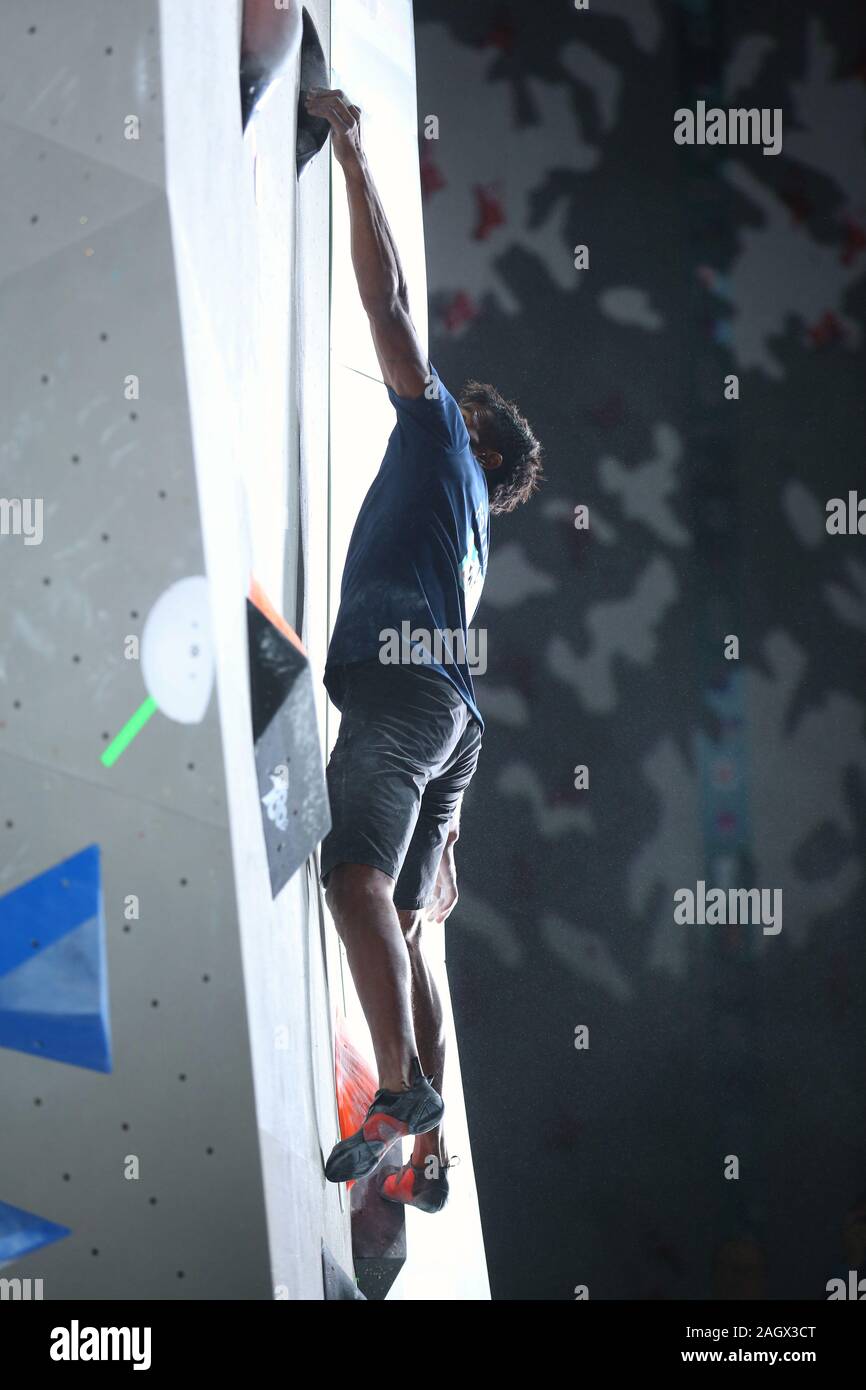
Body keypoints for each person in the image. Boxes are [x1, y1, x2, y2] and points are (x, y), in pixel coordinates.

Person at [305, 88, 543, 1212]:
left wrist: (350, 152)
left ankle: (402, 1091)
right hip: (454, 721)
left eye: (466, 403)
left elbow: (390, 301)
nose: (452, 395)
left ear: (478, 439)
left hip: (406, 698)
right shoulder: (476, 537)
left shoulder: (445, 435)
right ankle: (431, 1146)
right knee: (403, 925)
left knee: (351, 875)